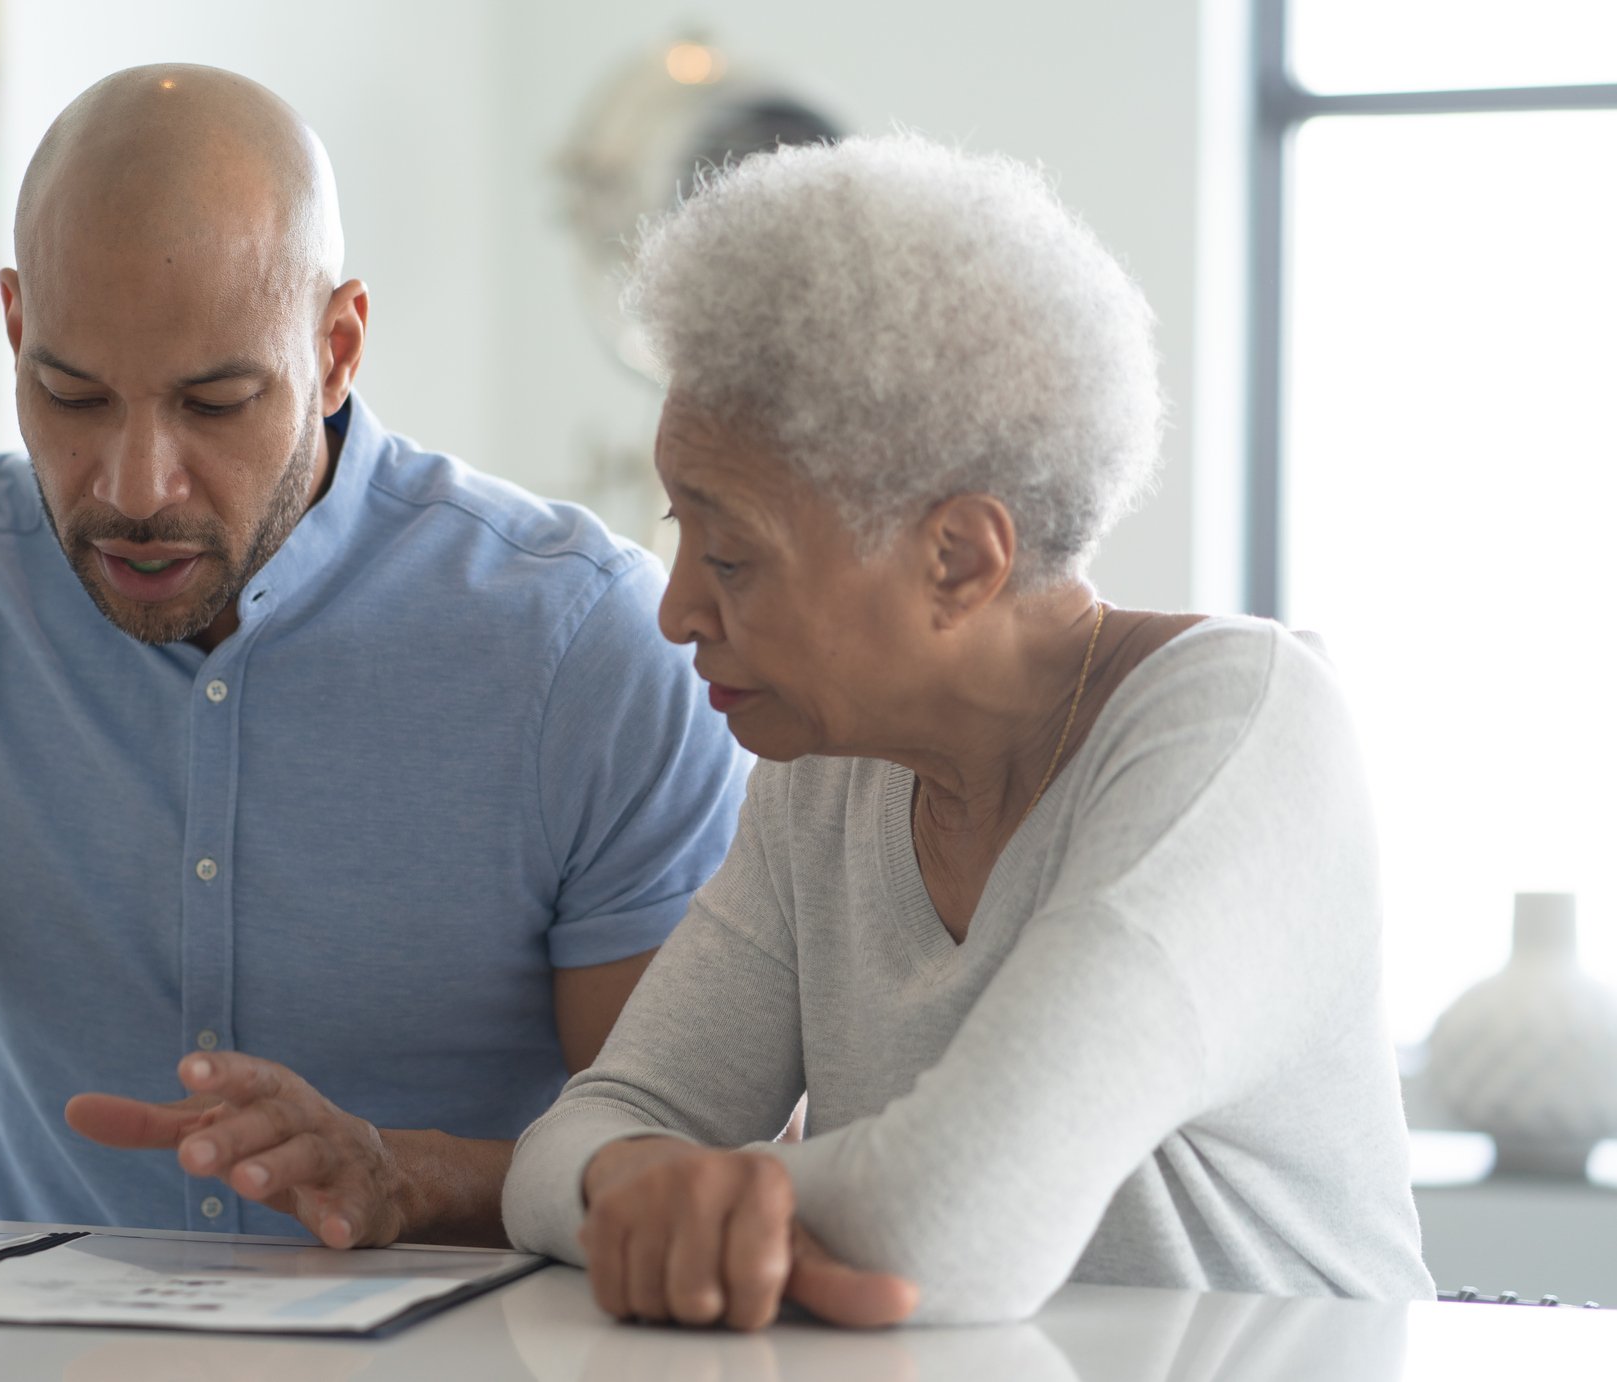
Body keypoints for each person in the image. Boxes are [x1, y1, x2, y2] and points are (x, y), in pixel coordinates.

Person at [0, 64, 747, 1279]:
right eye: (71, 394)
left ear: (339, 347)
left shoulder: (586, 648)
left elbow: (686, 1156)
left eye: (215, 403)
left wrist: (406, 1177)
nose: (135, 486)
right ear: (12, 328)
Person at [501, 133, 1435, 1329]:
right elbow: (579, 1136)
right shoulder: (825, 772)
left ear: (959, 559)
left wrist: (662, 1193)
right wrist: (633, 1176)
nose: (678, 609)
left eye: (730, 555)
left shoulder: (1245, 731)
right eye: (680, 533)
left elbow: (951, 1219)